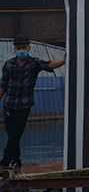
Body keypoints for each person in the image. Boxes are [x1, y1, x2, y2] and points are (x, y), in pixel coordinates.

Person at [0, 35, 65, 173]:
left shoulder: (34, 63)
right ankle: (16, 162)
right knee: (12, 134)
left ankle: (4, 163)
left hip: (24, 106)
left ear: (28, 48)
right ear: (15, 49)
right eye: (19, 48)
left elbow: (49, 64)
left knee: (15, 135)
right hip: (9, 105)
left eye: (24, 48)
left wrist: (64, 61)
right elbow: (3, 85)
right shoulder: (9, 64)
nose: (21, 50)